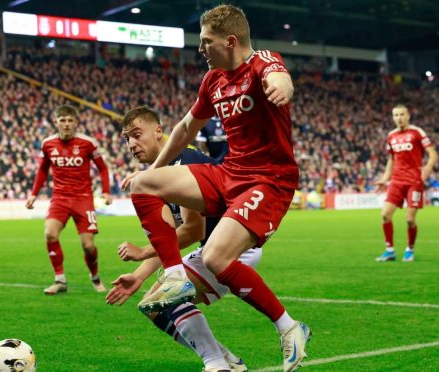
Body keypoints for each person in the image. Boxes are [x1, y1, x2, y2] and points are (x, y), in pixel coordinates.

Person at [121, 5, 310, 371]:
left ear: (231, 41)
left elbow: (281, 77)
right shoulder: (213, 81)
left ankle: (289, 327)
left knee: (215, 258)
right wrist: (156, 172)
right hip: (230, 172)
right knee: (142, 183)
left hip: (268, 180)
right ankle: (176, 276)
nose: (201, 49)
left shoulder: (262, 62)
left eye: (206, 42)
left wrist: (281, 87)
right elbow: (186, 128)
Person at [107, 107, 262, 371]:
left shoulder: (184, 162)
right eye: (126, 139)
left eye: (136, 135)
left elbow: (192, 230)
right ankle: (228, 361)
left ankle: (216, 364)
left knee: (166, 299)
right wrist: (139, 275)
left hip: (232, 248)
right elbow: (168, 241)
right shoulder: (159, 176)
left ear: (158, 131)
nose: (132, 144)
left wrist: (143, 251)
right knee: (152, 306)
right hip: (214, 248)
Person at [26, 105, 113, 295]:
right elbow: (42, 170)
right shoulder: (47, 144)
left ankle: (95, 277)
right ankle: (60, 280)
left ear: (76, 122)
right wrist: (34, 194)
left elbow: (103, 168)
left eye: (70, 120)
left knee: (88, 246)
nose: (66, 124)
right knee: (50, 234)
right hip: (59, 198)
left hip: (83, 199)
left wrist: (106, 191)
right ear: (56, 122)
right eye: (62, 120)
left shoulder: (87, 143)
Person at [374, 104, 437, 262]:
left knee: (409, 219)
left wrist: (427, 168)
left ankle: (410, 249)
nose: (399, 118)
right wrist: (385, 179)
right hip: (396, 181)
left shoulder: (417, 132)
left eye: (402, 114)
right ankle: (390, 251)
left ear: (408, 116)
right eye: (396, 115)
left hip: (414, 181)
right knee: (385, 215)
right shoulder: (391, 136)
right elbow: (391, 160)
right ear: (393, 117)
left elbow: (432, 154)